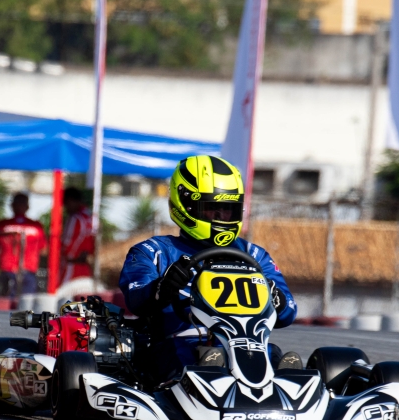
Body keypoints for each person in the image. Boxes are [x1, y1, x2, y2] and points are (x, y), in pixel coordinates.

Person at [118, 155, 297, 381]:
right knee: (186, 357)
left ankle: (287, 382)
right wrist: (162, 289)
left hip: (250, 345)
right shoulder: (154, 252)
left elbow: (289, 311)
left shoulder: (254, 255)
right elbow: (135, 300)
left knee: (276, 357)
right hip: (181, 341)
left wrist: (276, 297)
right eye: (212, 208)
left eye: (228, 210)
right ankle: (209, 373)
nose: (221, 216)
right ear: (186, 205)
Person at [0, 192, 46, 296]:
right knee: (26, 305)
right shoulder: (36, 226)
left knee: (2, 306)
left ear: (12, 206)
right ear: (27, 207)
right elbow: (44, 250)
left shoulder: (2, 225)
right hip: (28, 271)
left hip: (7, 271)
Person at [60, 187, 94, 284]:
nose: (66, 207)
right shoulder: (90, 218)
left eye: (66, 203)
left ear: (71, 200)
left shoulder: (75, 218)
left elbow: (66, 244)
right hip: (85, 269)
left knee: (64, 297)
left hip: (71, 267)